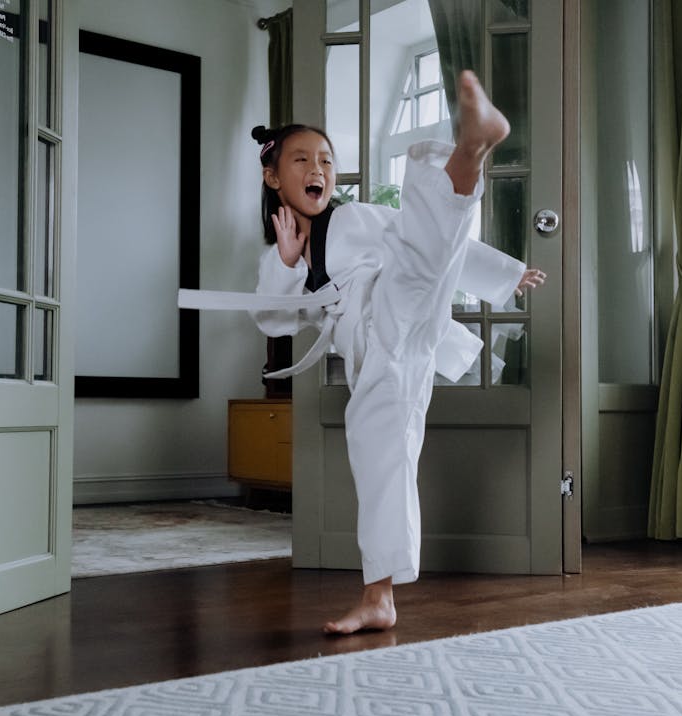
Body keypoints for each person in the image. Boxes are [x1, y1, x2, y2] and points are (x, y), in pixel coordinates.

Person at [188, 71, 545, 634]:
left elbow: (418, 237)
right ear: (272, 176)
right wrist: (286, 263)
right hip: (374, 353)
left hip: (394, 297)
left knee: (417, 254)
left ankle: (470, 148)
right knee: (378, 452)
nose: (318, 170)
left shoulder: (354, 216)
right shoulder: (276, 252)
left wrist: (505, 271)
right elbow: (273, 317)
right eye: (302, 160)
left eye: (326, 160)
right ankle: (379, 597)